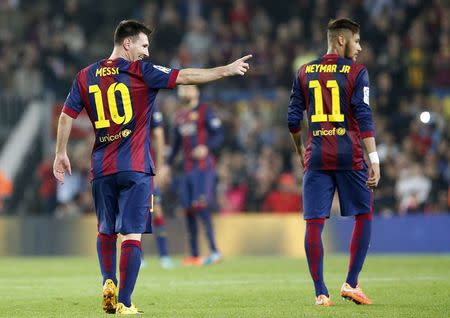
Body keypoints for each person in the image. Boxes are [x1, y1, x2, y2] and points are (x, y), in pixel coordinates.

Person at [53, 20, 251, 315]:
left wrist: (60, 153)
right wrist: (226, 70)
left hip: (102, 168)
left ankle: (108, 280)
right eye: (144, 45)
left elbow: (66, 116)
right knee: (131, 236)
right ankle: (125, 301)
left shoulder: (85, 75)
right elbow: (185, 76)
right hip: (135, 168)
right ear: (127, 43)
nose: (147, 52)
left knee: (106, 231)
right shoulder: (140, 71)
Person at [287, 18, 380, 306]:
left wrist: (302, 148)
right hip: (348, 155)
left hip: (316, 156)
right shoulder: (356, 72)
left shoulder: (304, 71)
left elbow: (292, 119)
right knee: (363, 215)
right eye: (357, 40)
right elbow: (363, 116)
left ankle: (320, 293)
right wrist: (374, 158)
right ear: (342, 40)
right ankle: (351, 282)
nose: (360, 47)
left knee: (314, 223)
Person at [167, 85, 223, 266]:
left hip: (203, 167)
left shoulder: (206, 111)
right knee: (188, 209)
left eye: (189, 88)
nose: (185, 92)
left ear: (196, 92)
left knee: (201, 205)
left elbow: (219, 135)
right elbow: (175, 146)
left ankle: (214, 251)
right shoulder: (179, 116)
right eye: (182, 89)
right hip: (186, 169)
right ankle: (195, 255)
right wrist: (166, 166)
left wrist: (206, 147)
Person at [148, 104, 175, 269]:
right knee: (137, 213)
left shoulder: (149, 103)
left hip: (146, 168)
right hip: (136, 166)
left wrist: (159, 168)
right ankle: (138, 257)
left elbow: (158, 134)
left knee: (155, 210)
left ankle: (164, 255)